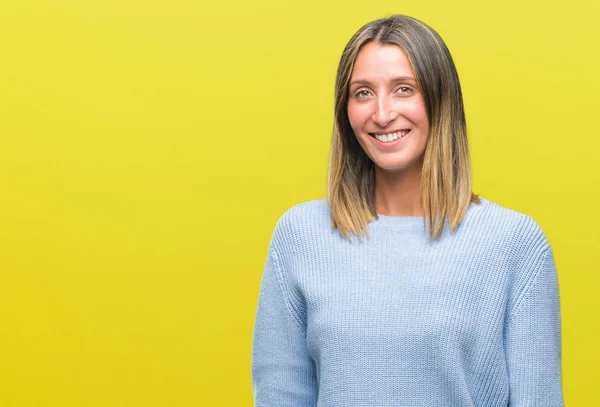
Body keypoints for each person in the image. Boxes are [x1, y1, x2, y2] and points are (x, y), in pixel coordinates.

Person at [250, 14, 564, 407]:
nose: (382, 114)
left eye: (403, 89)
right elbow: (282, 395)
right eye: (362, 93)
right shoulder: (300, 236)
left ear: (439, 100)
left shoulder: (515, 244)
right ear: (344, 111)